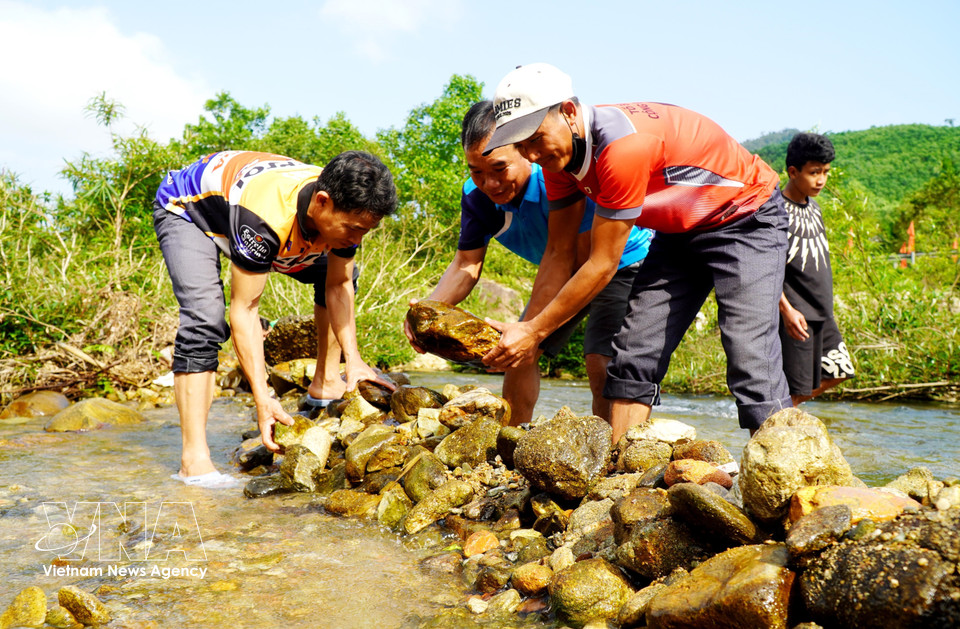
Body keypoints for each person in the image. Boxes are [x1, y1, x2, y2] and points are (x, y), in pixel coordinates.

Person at [480, 63, 792, 442]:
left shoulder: (621, 148)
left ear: (569, 112)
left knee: (749, 355)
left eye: (535, 137)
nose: (530, 154)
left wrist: (533, 332)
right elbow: (559, 252)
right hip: (678, 231)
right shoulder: (557, 162)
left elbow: (602, 264)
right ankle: (621, 476)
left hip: (746, 217)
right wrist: (528, 329)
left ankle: (785, 472)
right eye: (521, 144)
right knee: (633, 352)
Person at [154, 150, 397, 487]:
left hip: (257, 212)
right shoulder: (265, 216)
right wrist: (263, 396)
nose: (357, 240)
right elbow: (245, 309)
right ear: (322, 202)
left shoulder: (345, 211)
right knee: (204, 318)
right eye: (354, 229)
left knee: (338, 271)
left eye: (365, 232)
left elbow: (339, 285)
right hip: (191, 212)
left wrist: (354, 361)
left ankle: (326, 382)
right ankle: (193, 459)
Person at [405, 101, 652, 423]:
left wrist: (531, 334)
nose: (490, 184)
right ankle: (512, 435)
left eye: (499, 169)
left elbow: (577, 260)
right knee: (516, 352)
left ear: (526, 150)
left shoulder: (558, 180)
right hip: (561, 269)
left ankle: (611, 452)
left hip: (621, 263)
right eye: (476, 172)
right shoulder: (477, 198)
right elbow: (465, 265)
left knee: (598, 358)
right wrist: (427, 312)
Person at [778, 132, 855, 405]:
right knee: (797, 387)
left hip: (823, 312)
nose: (821, 179)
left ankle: (778, 414)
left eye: (825, 172)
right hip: (797, 315)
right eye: (814, 172)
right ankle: (772, 432)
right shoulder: (775, 209)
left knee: (840, 370)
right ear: (793, 171)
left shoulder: (816, 207)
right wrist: (786, 310)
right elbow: (765, 268)